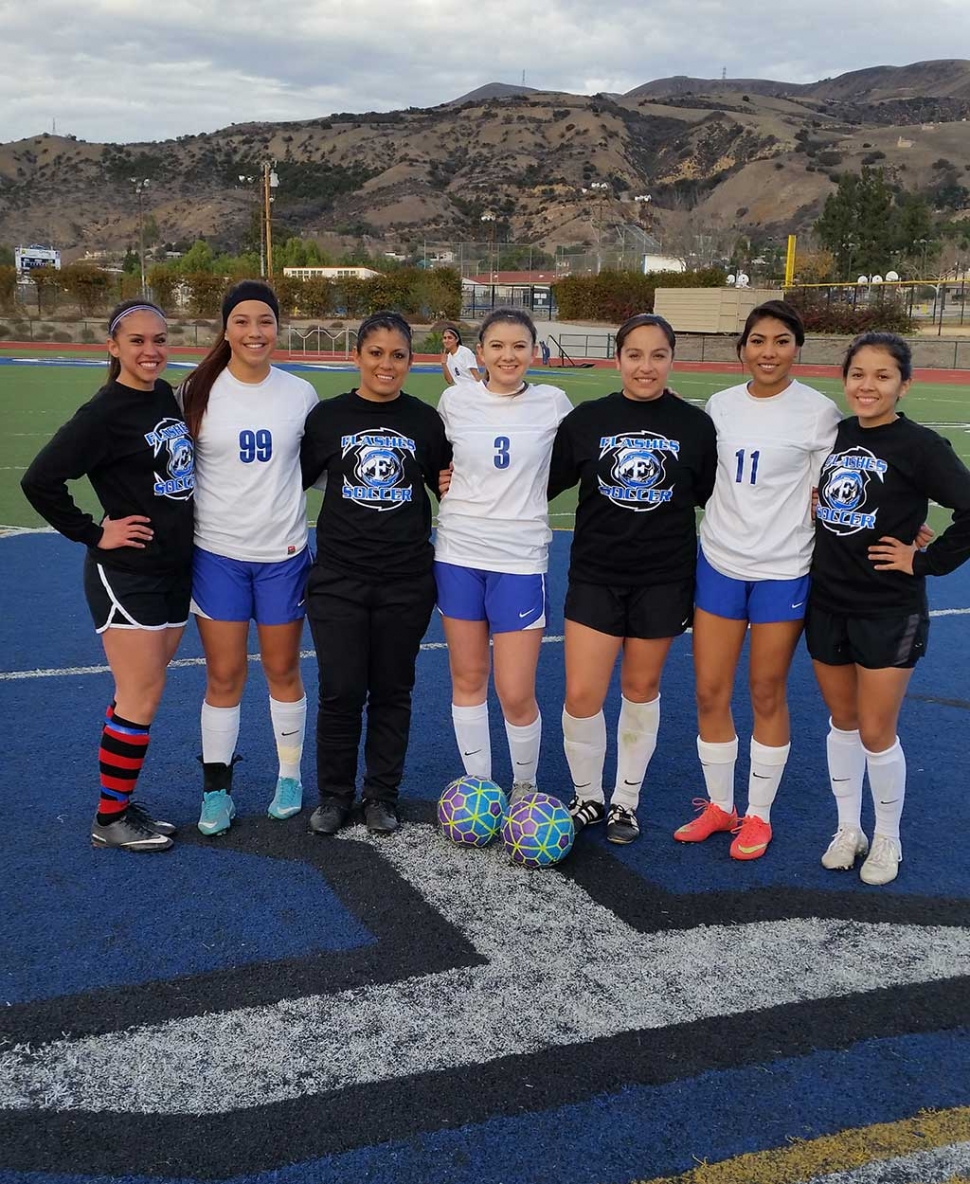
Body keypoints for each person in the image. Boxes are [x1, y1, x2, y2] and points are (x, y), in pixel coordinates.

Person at [21, 299, 194, 852]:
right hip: (127, 574)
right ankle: (110, 816)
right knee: (141, 694)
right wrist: (95, 532)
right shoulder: (104, 412)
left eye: (159, 340)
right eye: (138, 341)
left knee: (137, 694)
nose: (151, 350)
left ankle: (119, 799)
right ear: (114, 347)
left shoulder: (164, 395)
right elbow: (40, 480)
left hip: (172, 569)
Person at [674, 299, 842, 860]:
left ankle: (758, 815)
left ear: (797, 348)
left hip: (783, 569)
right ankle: (721, 806)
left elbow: (850, 484)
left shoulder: (819, 414)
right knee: (708, 691)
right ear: (742, 348)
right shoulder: (720, 407)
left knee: (766, 690)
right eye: (757, 341)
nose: (768, 352)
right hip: (720, 561)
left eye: (781, 341)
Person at [807, 332, 970, 884]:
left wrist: (923, 561)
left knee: (877, 730)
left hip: (887, 609)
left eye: (882, 376)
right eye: (858, 374)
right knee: (843, 722)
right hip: (826, 602)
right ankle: (847, 828)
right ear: (844, 378)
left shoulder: (921, 446)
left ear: (904, 383)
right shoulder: (831, 434)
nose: (868, 386)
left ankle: (887, 839)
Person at [549, 313, 717, 842]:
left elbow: (719, 500)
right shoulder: (586, 421)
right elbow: (538, 485)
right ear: (618, 358)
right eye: (635, 355)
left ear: (672, 358)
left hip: (663, 578)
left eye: (658, 355)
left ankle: (625, 799)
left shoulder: (696, 426)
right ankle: (587, 796)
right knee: (582, 692)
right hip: (597, 574)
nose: (646, 366)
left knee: (641, 688)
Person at [300, 311, 451, 836]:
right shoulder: (328, 418)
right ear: (357, 356)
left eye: (399, 355)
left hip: (406, 579)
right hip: (339, 577)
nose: (387, 365)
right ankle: (334, 796)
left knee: (393, 689)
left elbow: (449, 482)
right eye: (376, 353)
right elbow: (289, 480)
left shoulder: (426, 422)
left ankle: (381, 795)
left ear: (411, 360)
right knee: (340, 689)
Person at [179, 280, 318, 836]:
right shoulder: (195, 390)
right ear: (226, 328)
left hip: (283, 554)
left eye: (265, 321)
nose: (254, 331)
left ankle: (289, 776)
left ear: (277, 327)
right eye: (242, 321)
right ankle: (216, 789)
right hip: (218, 554)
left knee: (283, 670)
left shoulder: (300, 394)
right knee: (225, 674)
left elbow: (326, 463)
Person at [435, 307, 572, 804]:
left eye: (519, 346)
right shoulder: (455, 401)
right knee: (468, 678)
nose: (508, 355)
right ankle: (480, 788)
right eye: (497, 346)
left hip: (519, 557)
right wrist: (440, 480)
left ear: (533, 351)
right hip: (458, 551)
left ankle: (524, 788)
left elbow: (577, 462)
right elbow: (436, 461)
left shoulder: (554, 403)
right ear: (482, 352)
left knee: (515, 692)